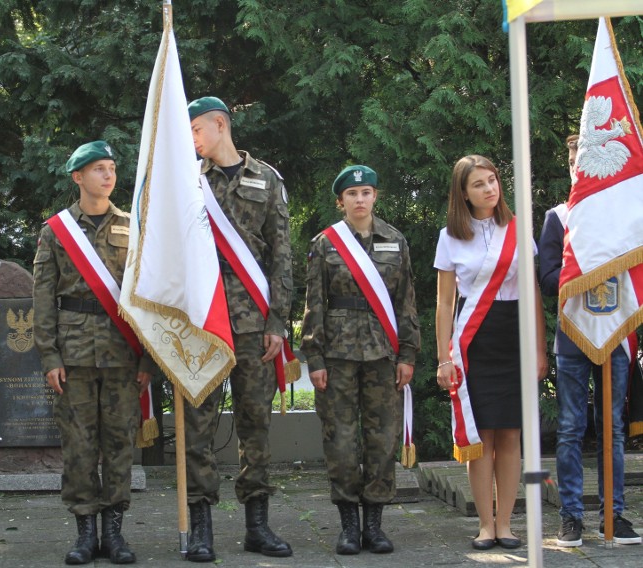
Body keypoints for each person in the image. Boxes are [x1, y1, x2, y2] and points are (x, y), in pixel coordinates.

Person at [184, 96, 293, 561]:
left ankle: (258, 526)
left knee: (256, 424)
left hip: (252, 323)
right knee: (198, 425)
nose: (191, 140)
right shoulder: (187, 182)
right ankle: (201, 527)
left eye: (196, 130)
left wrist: (278, 322)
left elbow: (281, 255)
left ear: (220, 125)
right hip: (203, 322)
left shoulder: (266, 179)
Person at [32, 141, 151, 565]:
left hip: (123, 354)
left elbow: (147, 294)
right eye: (98, 169)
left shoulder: (133, 225)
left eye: (112, 168)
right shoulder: (56, 231)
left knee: (119, 445)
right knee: (80, 448)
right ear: (77, 177)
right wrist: (49, 357)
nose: (107, 175)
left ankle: (114, 534)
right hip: (75, 355)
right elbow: (42, 298)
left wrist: (147, 359)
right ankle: (85, 533)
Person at [300, 165, 420, 555]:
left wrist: (408, 353)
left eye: (366, 192)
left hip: (383, 355)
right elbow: (313, 305)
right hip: (337, 355)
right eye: (352, 194)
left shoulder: (395, 241)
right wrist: (313, 358)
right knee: (341, 440)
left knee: (383, 439)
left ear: (375, 197)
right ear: (341, 201)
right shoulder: (325, 244)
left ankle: (375, 525)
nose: (360, 200)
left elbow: (405, 302)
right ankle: (348, 525)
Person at [434, 155, 547, 551]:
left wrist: (539, 350)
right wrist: (444, 357)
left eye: (493, 180)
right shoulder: (450, 237)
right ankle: (484, 524)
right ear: (463, 194)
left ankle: (506, 524)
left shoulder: (519, 229)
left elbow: (532, 293)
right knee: (480, 438)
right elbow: (445, 303)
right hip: (474, 341)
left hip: (513, 335)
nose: (489, 188)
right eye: (479, 183)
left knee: (511, 434)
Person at [538, 135, 642, 547]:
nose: (579, 166)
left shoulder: (627, 217)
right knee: (569, 429)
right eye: (574, 160)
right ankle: (571, 518)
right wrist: (585, 270)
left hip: (615, 333)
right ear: (570, 166)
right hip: (574, 335)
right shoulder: (559, 218)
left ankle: (613, 515)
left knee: (612, 430)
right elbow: (547, 281)